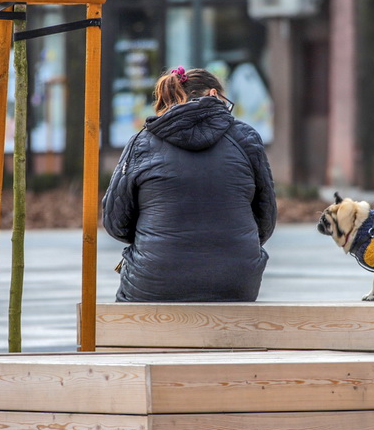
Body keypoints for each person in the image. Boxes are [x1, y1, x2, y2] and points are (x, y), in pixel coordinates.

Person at [102, 66, 277, 302]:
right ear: (214, 94)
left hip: (153, 282)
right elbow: (265, 220)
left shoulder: (141, 142)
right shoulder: (245, 138)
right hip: (235, 281)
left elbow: (116, 223)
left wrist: (157, 235)